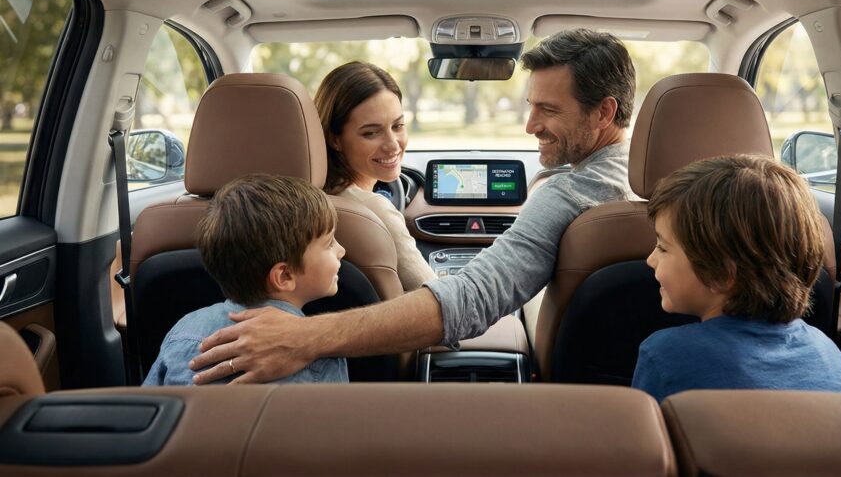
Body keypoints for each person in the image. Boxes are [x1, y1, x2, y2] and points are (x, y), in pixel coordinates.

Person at [189, 28, 636, 384]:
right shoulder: (655, 189)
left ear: (603, 112)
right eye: (531, 106)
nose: (530, 125)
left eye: (548, 110)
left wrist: (303, 336)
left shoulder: (567, 192)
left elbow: (472, 299)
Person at [631, 155, 841, 402]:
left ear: (722, 274)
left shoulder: (665, 355)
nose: (650, 260)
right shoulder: (827, 351)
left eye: (662, 248)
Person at [143, 174, 348, 385]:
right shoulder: (318, 352)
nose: (342, 250)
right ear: (284, 276)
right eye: (329, 243)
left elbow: (150, 400)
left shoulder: (184, 330)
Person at [314, 61, 435, 292]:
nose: (393, 145)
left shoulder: (308, 199)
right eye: (371, 133)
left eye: (398, 126)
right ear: (334, 139)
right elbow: (438, 298)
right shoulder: (375, 210)